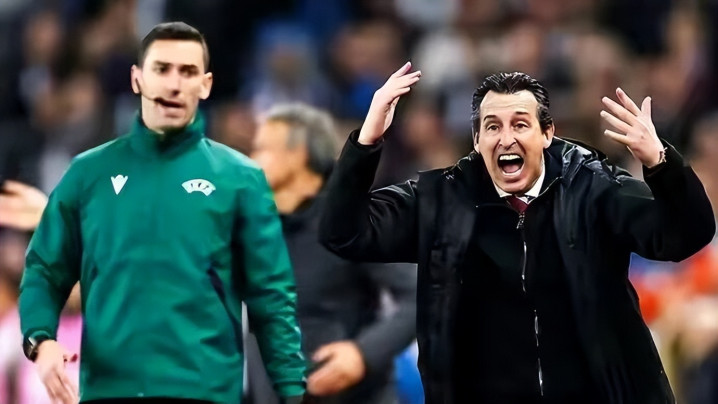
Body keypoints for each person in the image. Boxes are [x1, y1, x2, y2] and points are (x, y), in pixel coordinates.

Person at [318, 62, 716, 404]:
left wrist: (661, 164)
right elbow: (342, 233)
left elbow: (686, 236)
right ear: (477, 141)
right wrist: (366, 143)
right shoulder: (440, 200)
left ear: (547, 134)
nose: (506, 138)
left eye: (520, 124)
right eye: (492, 126)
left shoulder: (595, 187)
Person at [18, 22, 308, 404]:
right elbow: (44, 268)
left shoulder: (241, 179)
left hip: (204, 393)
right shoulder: (88, 174)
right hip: (109, 392)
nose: (174, 84)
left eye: (187, 72)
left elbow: (271, 298)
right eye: (162, 69)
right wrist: (41, 340)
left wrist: (292, 392)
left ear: (205, 85)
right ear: (137, 79)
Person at [247, 103, 417, 404]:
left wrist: (363, 354)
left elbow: (421, 293)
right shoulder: (253, 228)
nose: (251, 160)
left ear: (298, 154)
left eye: (262, 149)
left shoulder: (351, 219)